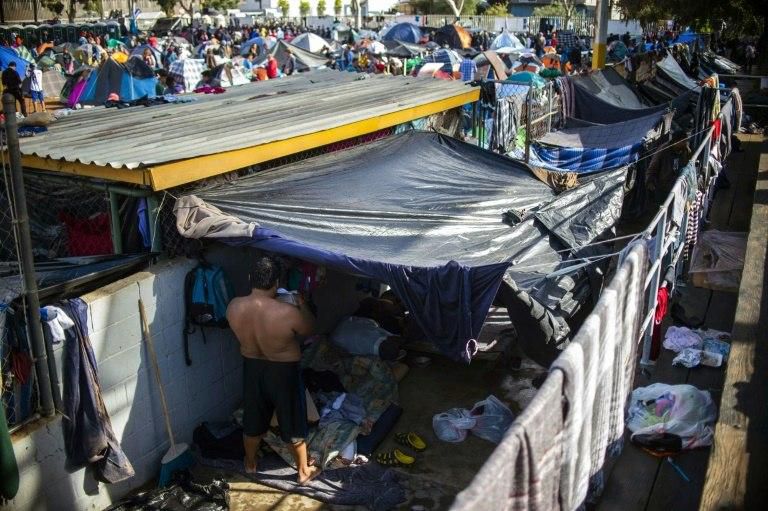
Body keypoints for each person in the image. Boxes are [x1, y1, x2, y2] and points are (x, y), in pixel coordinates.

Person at [226, 255, 320, 485]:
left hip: (252, 367)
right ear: (277, 283)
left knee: (253, 418)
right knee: (293, 422)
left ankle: (250, 463)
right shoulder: (287, 312)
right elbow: (308, 329)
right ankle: (303, 472)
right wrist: (301, 303)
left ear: (251, 279)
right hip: (283, 371)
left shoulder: (234, 306)